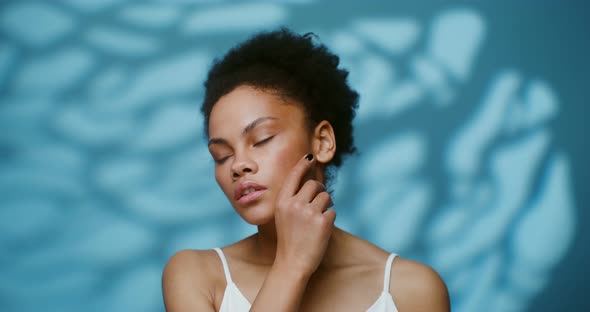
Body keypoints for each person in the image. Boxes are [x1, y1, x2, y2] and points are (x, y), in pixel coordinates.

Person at [162, 28, 450, 311]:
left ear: (323, 142)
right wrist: (291, 266)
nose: (238, 165)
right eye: (221, 155)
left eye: (261, 139)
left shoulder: (411, 291)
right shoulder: (196, 276)